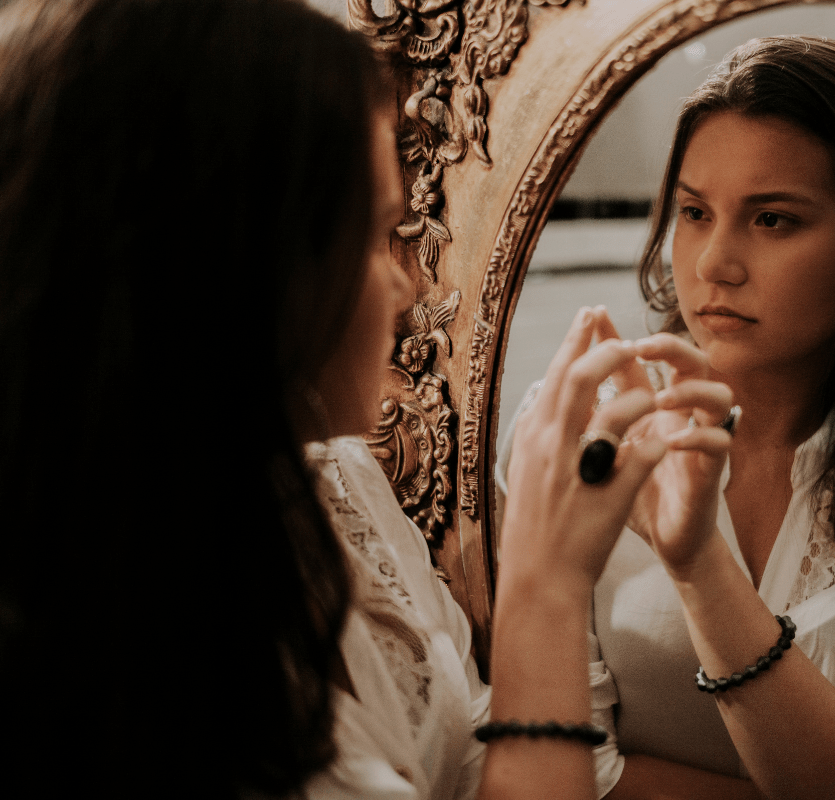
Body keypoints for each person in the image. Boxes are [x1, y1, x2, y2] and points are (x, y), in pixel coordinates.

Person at [0, 1, 702, 797]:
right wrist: (545, 583)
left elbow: (471, 750)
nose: (406, 286)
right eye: (376, 236)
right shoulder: (101, 643)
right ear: (237, 272)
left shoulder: (336, 484)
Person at [496, 36, 835, 800]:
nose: (714, 262)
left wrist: (699, 567)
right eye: (693, 211)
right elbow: (555, 762)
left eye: (773, 219)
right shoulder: (585, 430)